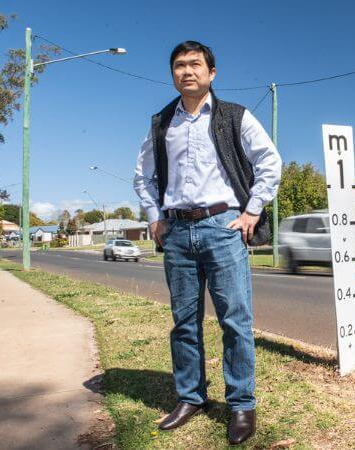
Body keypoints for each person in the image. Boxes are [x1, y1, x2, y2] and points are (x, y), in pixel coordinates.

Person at [133, 41, 281, 445]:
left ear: (211, 73)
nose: (187, 71)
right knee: (184, 322)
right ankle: (190, 398)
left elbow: (270, 162)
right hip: (177, 232)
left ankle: (241, 404)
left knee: (235, 319)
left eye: (195, 64)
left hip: (223, 226)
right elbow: (142, 177)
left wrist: (252, 211)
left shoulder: (236, 116)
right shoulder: (161, 122)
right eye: (179, 65)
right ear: (173, 74)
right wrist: (154, 219)